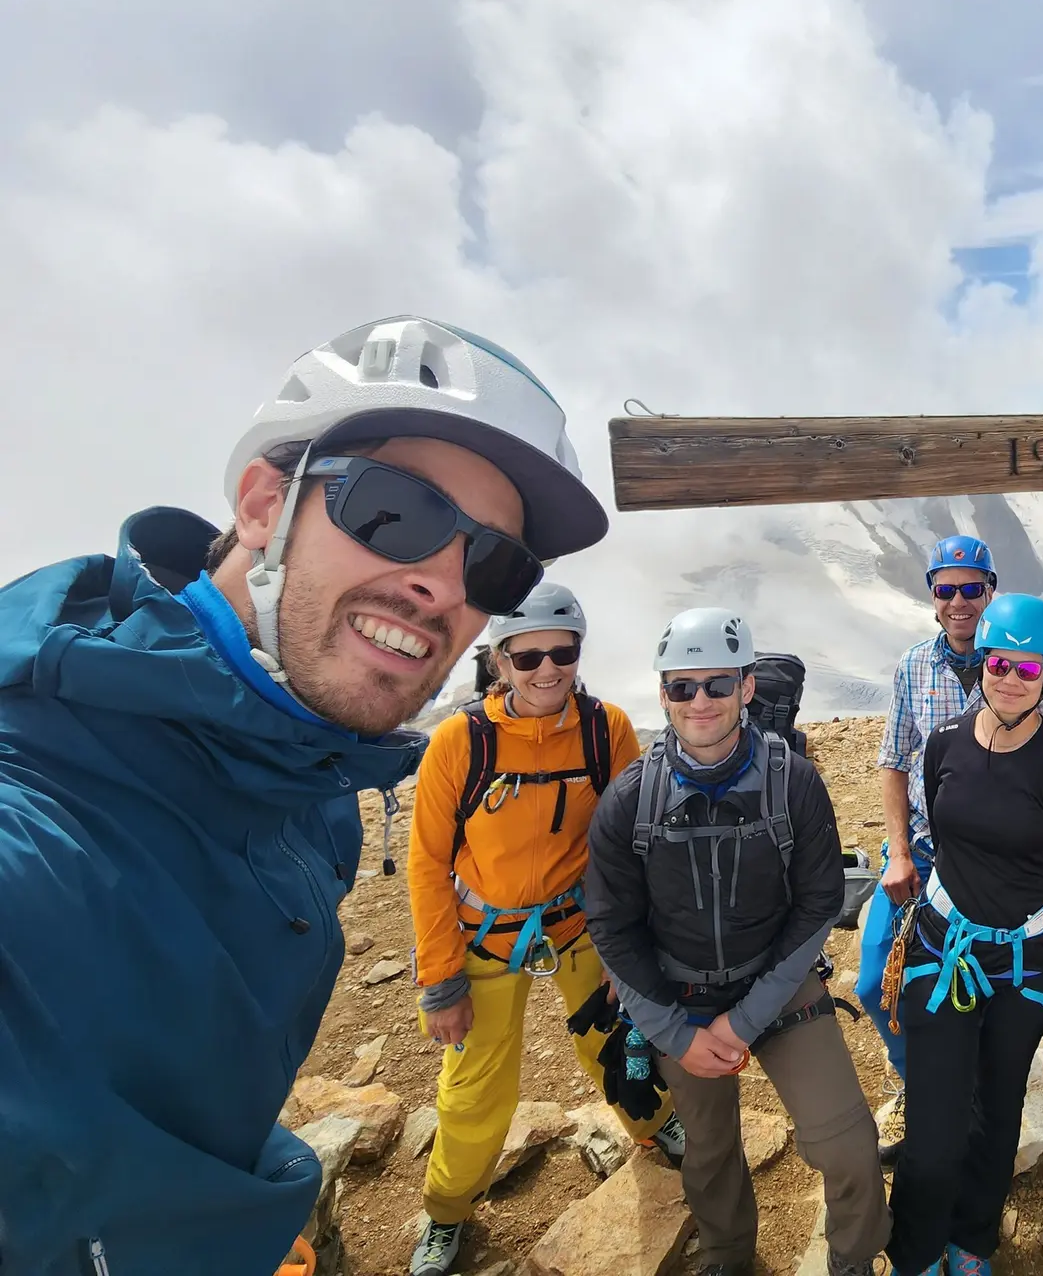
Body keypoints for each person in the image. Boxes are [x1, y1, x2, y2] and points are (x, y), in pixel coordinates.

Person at [0, 317, 605, 1275]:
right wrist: (442, 974)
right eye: (396, 511)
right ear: (261, 505)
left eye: (495, 564)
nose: (441, 581)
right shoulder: (34, 829)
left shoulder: (312, 789)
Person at [584, 609, 886, 1276]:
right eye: (683, 686)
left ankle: (853, 1261)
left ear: (748, 688)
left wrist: (740, 1020)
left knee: (848, 1147)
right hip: (679, 999)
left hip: (774, 986)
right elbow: (610, 922)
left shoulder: (794, 783)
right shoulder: (630, 801)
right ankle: (728, 1257)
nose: (700, 702)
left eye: (717, 684)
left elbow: (815, 904)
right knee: (709, 1149)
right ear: (662, 693)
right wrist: (676, 1031)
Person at [404, 582, 681, 1276]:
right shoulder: (458, 743)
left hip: (578, 928)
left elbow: (626, 844)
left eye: (563, 652)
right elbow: (428, 863)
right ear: (501, 662)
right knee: (475, 1088)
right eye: (528, 658)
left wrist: (632, 948)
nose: (547, 670)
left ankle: (653, 1126)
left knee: (618, 1043)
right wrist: (440, 981)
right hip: (483, 940)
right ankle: (446, 1213)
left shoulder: (603, 728)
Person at [885, 594, 1043, 1276]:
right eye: (999, 663)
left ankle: (972, 1239)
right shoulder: (945, 740)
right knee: (933, 1129)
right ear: (981, 664)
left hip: (1023, 963)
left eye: (1027, 668)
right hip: (944, 952)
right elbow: (943, 836)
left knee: (999, 1107)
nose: (1011, 678)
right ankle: (918, 1250)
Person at [859, 535, 999, 1158]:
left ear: (990, 592)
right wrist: (898, 851)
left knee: (970, 991)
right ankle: (929, 1099)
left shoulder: (1018, 663)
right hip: (921, 850)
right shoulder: (915, 665)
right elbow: (893, 762)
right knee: (873, 983)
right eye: (948, 590)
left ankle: (970, 1108)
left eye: (972, 588)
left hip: (987, 860)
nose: (960, 601)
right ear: (933, 597)